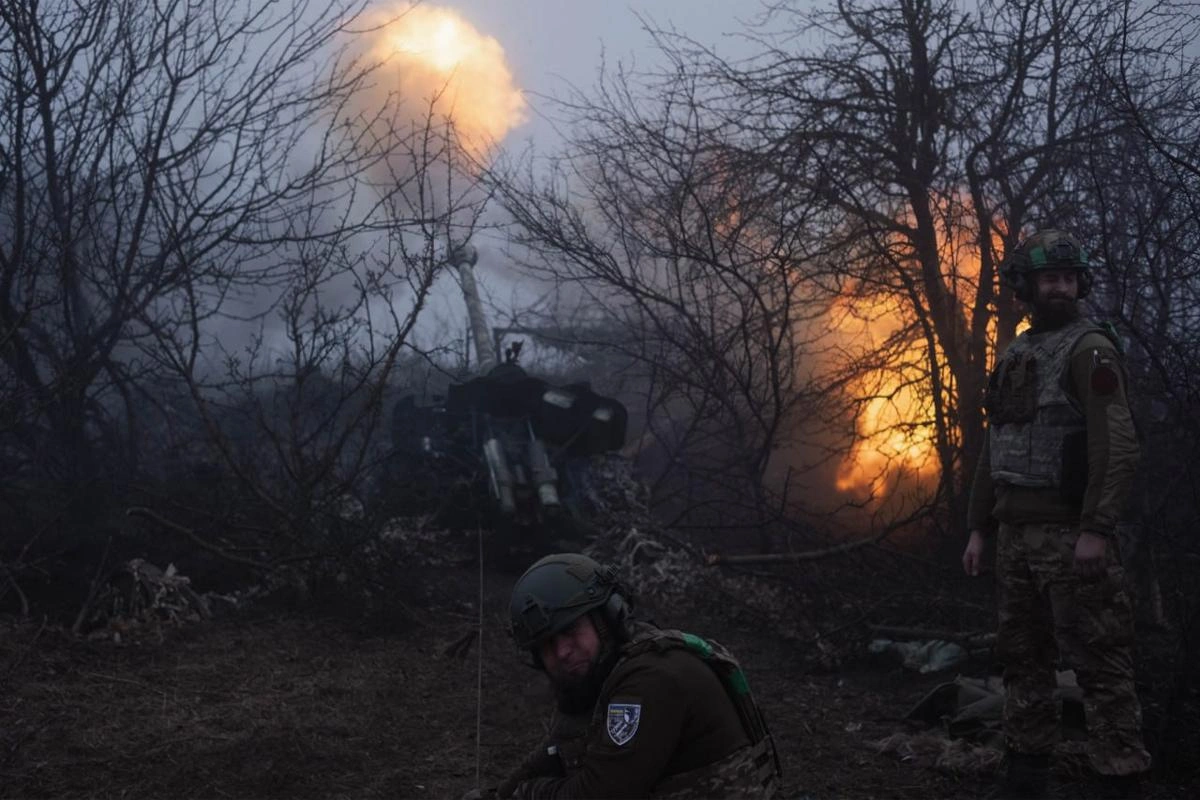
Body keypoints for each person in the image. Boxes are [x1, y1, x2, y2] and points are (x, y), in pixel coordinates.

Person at [962, 229, 1151, 797]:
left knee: (1100, 665)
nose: (1061, 288)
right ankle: (1026, 778)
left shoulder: (1090, 348)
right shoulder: (1018, 353)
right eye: (1050, 279)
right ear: (1028, 285)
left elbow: (1115, 444)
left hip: (1072, 538)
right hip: (1017, 537)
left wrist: (1096, 529)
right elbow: (996, 446)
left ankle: (1120, 780)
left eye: (1069, 278)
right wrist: (979, 527)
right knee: (1023, 662)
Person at [497, 552, 779, 799]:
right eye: (547, 644)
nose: (561, 652)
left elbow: (601, 795)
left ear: (606, 617)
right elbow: (555, 749)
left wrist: (528, 793)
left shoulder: (651, 679)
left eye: (570, 630)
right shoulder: (605, 670)